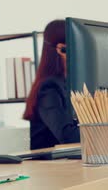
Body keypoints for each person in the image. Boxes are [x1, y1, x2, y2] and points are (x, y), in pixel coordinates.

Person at [23, 19, 80, 150]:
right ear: (62, 49)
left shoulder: (71, 85)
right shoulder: (49, 88)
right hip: (50, 166)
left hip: (69, 162)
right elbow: (68, 137)